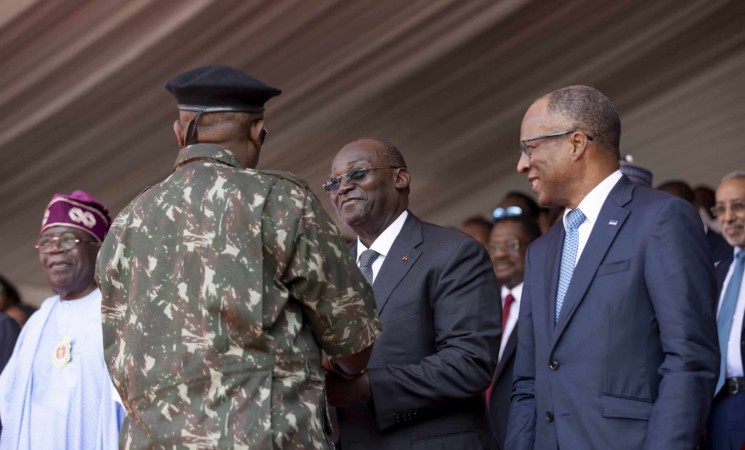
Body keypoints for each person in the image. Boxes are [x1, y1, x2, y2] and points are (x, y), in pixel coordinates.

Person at [96, 65, 381, 449]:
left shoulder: (127, 222)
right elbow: (352, 335)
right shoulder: (280, 201)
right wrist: (346, 370)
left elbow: (116, 353)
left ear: (179, 133)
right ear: (256, 131)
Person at [506, 85, 719, 449]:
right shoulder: (541, 251)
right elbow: (528, 381)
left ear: (575, 143)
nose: (522, 164)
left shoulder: (660, 219)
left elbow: (689, 359)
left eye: (530, 147)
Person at [325, 138, 501, 450]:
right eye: (333, 182)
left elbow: (469, 363)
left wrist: (367, 388)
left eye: (356, 174)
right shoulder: (331, 271)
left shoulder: (453, 253)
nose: (343, 188)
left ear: (400, 178)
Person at [0, 190, 123, 449]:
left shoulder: (119, 313)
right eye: (46, 241)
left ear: (100, 249)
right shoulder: (37, 321)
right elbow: (7, 401)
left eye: (69, 240)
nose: (55, 248)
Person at [484, 215, 540, 450]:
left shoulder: (545, 302)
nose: (500, 255)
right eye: (494, 247)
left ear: (535, 245)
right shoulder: (481, 307)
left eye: (512, 245)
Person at [707, 171, 745, 450]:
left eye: (738, 206)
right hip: (718, 406)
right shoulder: (719, 270)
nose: (728, 217)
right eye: (720, 209)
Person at [658, 179, 732, 263]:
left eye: (673, 210)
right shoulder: (658, 256)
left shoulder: (730, 248)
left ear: (695, 206)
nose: (665, 218)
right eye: (659, 213)